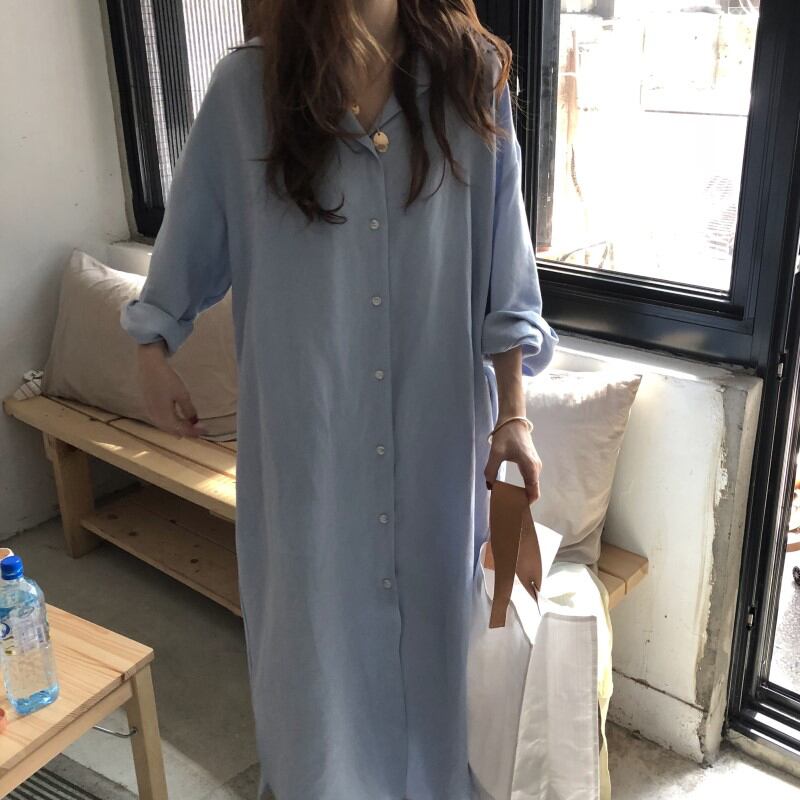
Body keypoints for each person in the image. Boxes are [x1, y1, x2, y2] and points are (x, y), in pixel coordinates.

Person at [120, 1, 559, 798]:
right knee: (313, 663)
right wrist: (153, 350)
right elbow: (187, 246)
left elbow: (508, 277)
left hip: (435, 451)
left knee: (438, 663)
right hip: (308, 451)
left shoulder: (474, 80)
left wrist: (514, 413)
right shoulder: (246, 91)